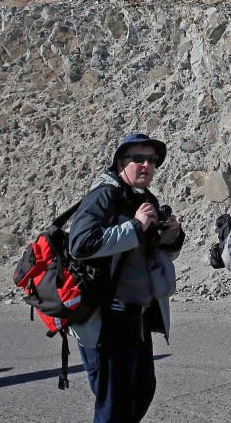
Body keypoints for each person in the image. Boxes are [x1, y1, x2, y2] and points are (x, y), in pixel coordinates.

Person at [68, 132, 185, 423]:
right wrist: (136, 226)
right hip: (109, 314)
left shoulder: (144, 197)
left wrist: (169, 233)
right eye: (138, 159)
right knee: (114, 404)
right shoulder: (104, 195)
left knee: (142, 390)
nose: (146, 165)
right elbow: (80, 244)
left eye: (152, 160)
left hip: (138, 315)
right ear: (121, 162)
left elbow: (154, 251)